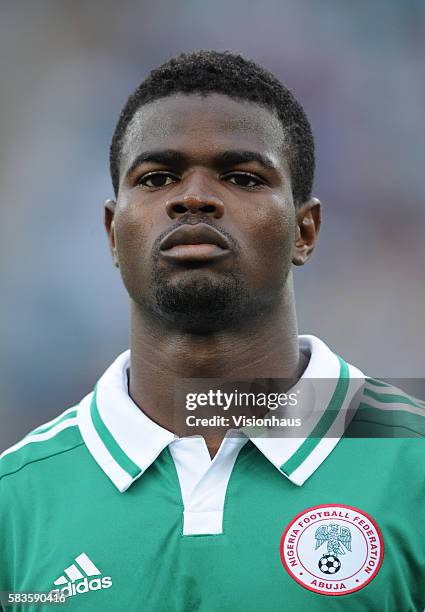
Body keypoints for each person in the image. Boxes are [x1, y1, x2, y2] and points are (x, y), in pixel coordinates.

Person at [1, 51, 424, 612]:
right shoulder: (16, 500)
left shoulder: (411, 464)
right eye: (157, 177)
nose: (193, 197)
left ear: (306, 230)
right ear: (111, 231)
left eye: (242, 177)